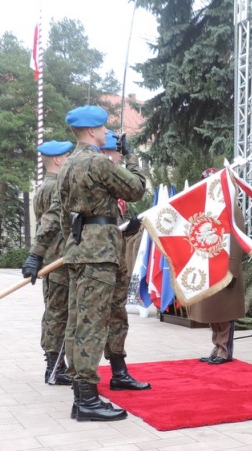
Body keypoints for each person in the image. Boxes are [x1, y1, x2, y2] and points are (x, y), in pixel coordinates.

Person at [58, 105, 149, 422]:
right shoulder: (97, 161)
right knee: (93, 324)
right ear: (92, 131)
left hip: (80, 248)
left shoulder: (68, 166)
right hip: (100, 253)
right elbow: (136, 188)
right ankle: (87, 400)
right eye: (103, 129)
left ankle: (81, 395)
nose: (105, 134)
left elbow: (63, 215)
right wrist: (131, 155)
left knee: (78, 321)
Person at [98, 132, 151, 391]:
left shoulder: (105, 177)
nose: (121, 157)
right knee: (95, 317)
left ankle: (119, 372)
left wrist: (127, 229)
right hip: (98, 260)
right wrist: (132, 159)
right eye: (119, 152)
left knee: (117, 315)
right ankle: (78, 378)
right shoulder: (103, 172)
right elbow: (137, 187)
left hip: (113, 256)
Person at [21, 140, 74, 386]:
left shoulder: (42, 187)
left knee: (54, 311)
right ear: (57, 160)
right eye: (67, 156)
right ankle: (55, 368)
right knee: (58, 314)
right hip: (60, 260)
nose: (70, 160)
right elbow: (52, 223)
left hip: (51, 260)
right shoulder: (56, 188)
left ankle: (54, 366)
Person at [188, 168, 247, 362]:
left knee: (224, 310)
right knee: (212, 310)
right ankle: (217, 346)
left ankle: (225, 350)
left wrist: (232, 270)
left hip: (226, 267)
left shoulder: (231, 207)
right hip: (209, 266)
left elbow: (237, 240)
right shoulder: (206, 207)